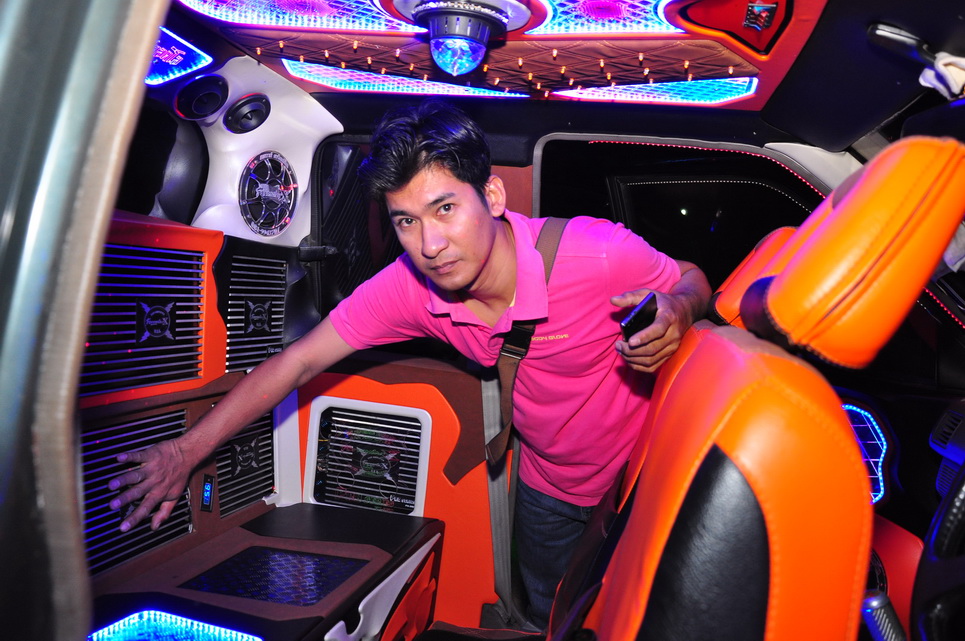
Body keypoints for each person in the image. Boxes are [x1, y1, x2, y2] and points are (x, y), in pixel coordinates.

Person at [108, 99, 710, 630]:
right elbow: (298, 361)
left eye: (445, 208)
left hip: (638, 482)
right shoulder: (410, 288)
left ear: (492, 197)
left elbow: (692, 277)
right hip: (545, 487)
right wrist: (185, 452)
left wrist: (679, 310)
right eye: (406, 221)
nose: (430, 245)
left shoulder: (596, 254)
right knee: (551, 620)